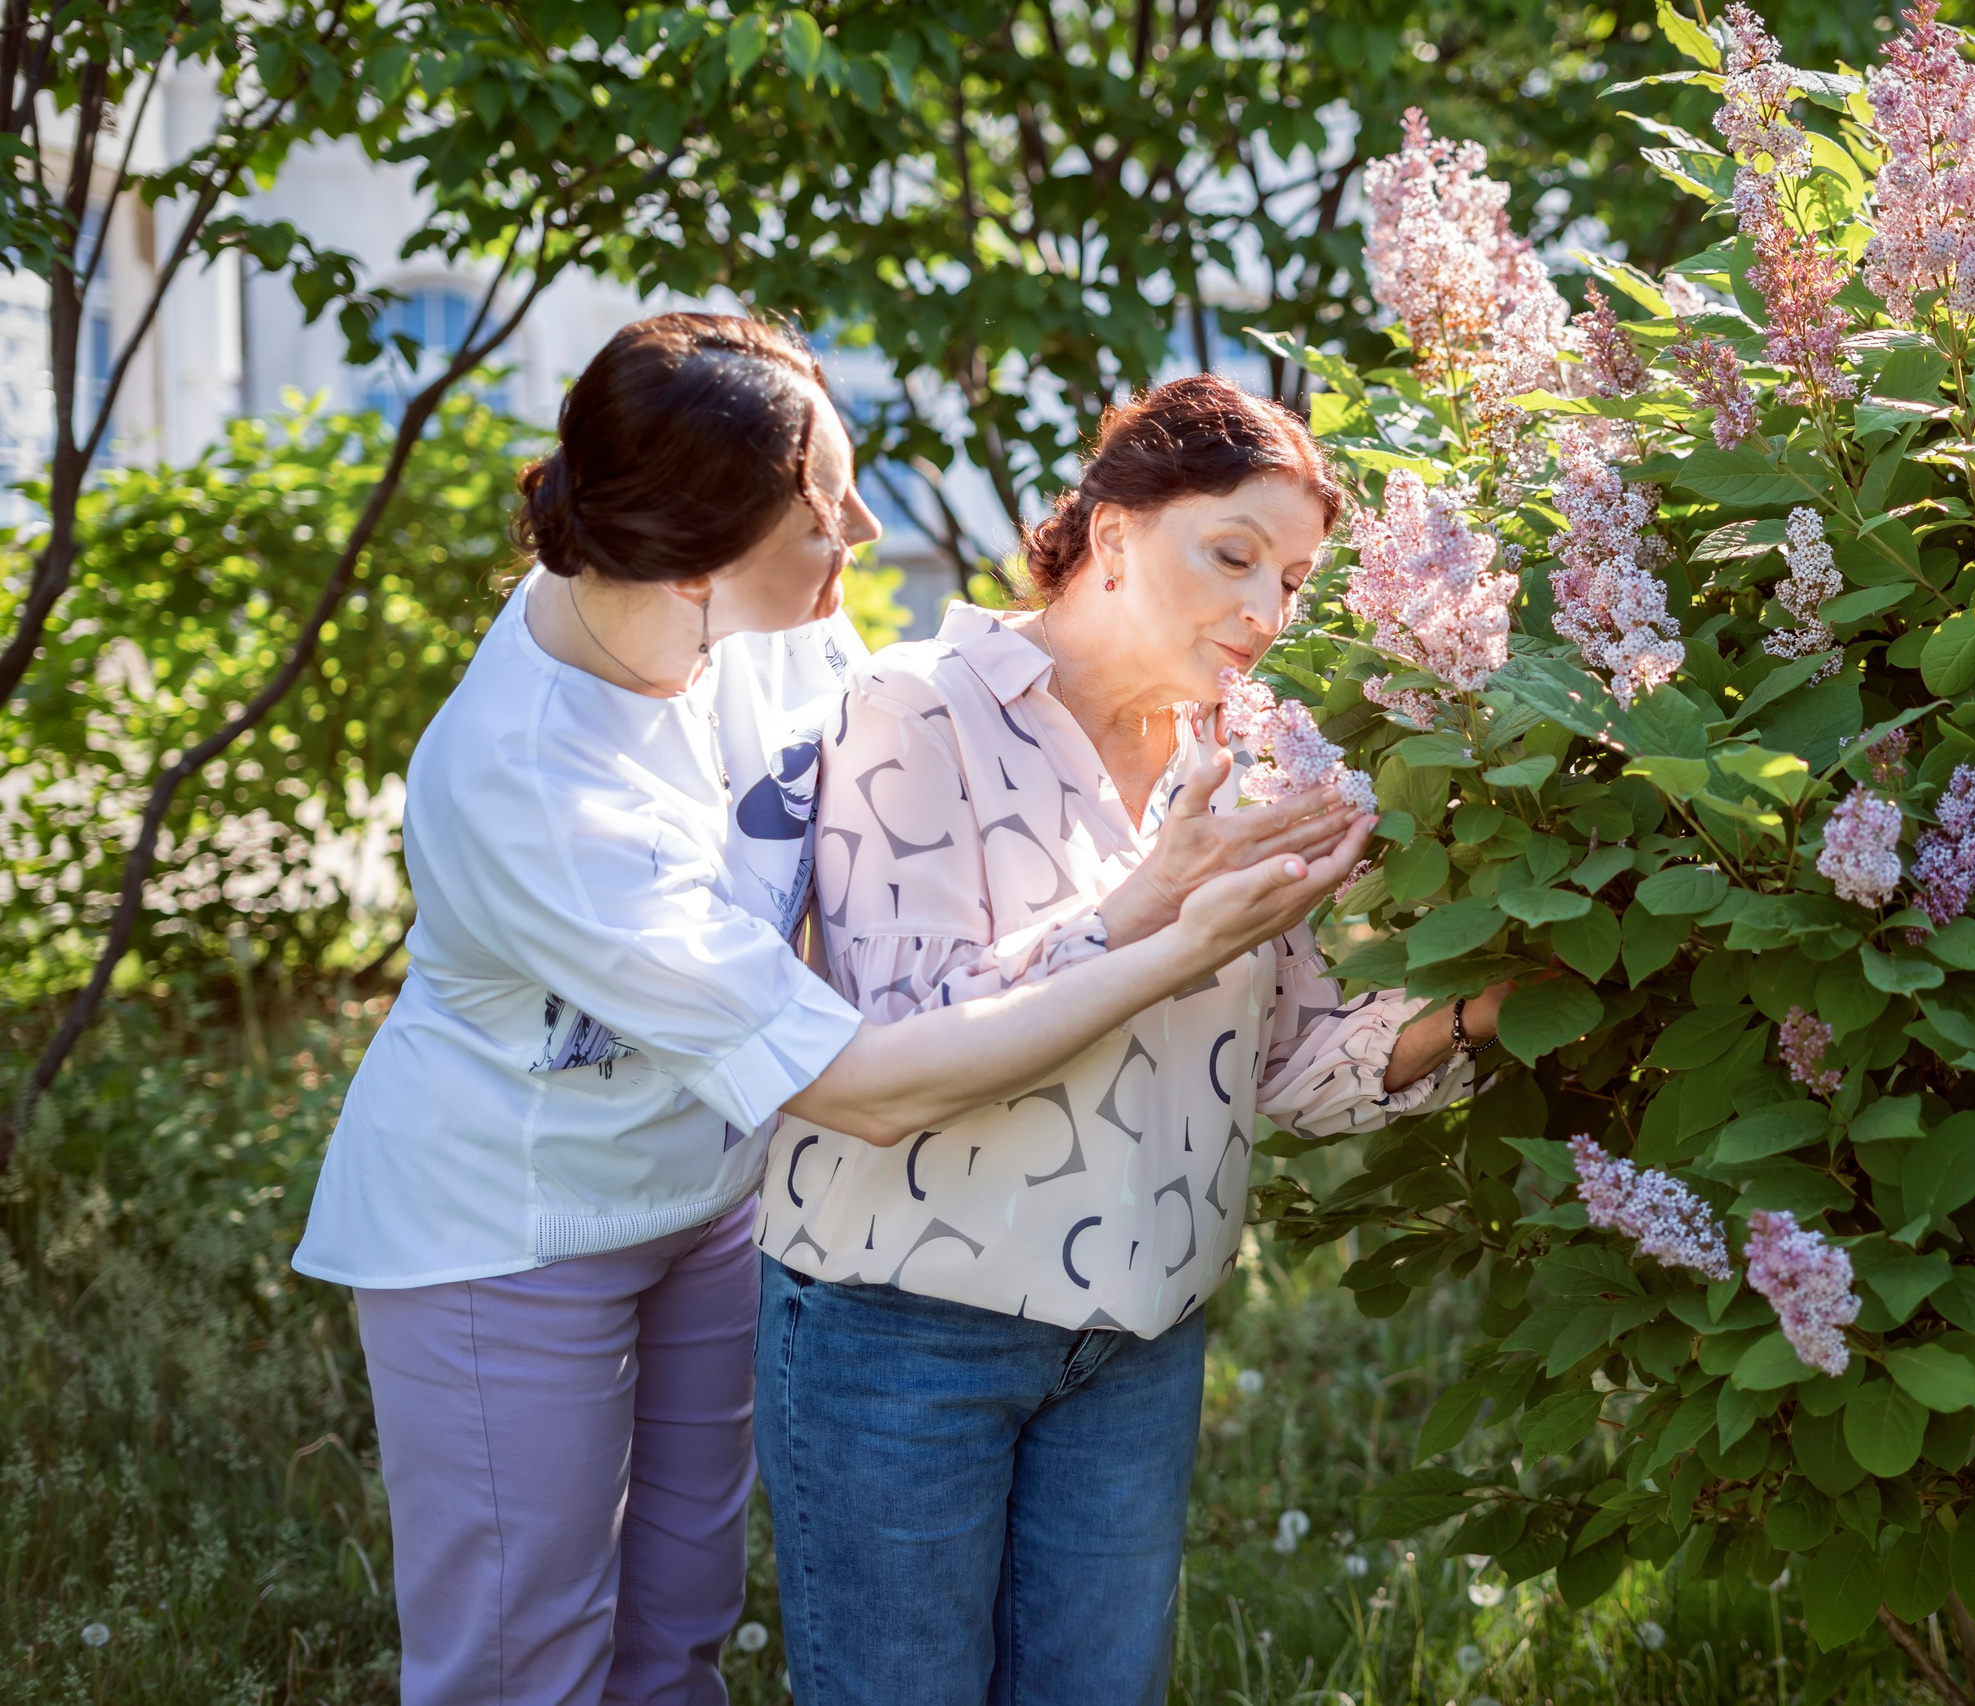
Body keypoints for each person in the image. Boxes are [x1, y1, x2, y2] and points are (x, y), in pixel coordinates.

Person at [294, 317, 1344, 1706]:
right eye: (819, 511)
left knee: (679, 1629)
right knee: (521, 1659)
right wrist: (1167, 934)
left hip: (711, 1187)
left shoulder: (773, 626)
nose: (857, 524)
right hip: (515, 1212)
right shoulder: (533, 788)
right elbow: (858, 1083)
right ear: (697, 559)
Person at [754, 374, 1512, 1706]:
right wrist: (1142, 913)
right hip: (904, 1328)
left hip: (1138, 1331)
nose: (1268, 614)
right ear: (1112, 535)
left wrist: (1507, 997)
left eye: (1293, 580)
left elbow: (1299, 1063)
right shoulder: (914, 705)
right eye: (1234, 557)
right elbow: (899, 1044)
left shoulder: (1249, 757)